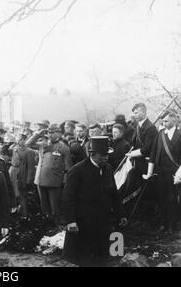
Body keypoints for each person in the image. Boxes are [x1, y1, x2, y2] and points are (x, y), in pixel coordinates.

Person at [62, 136, 127, 267]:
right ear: (92, 154)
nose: (106, 158)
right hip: (84, 222)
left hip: (103, 221)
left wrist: (121, 214)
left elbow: (114, 194)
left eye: (107, 155)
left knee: (102, 254)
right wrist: (71, 221)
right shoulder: (77, 170)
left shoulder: (108, 169)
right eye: (102, 155)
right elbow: (68, 197)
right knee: (85, 257)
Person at [144, 112, 181, 232]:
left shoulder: (180, 134)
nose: (163, 123)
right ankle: (164, 224)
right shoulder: (160, 135)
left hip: (176, 174)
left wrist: (179, 175)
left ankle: (173, 225)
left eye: (166, 121)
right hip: (161, 173)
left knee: (173, 199)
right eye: (163, 121)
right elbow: (153, 154)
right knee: (162, 198)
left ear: (174, 121)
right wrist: (150, 173)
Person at [125, 102, 158, 225]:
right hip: (138, 164)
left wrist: (132, 154)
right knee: (136, 189)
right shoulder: (138, 126)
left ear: (144, 112)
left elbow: (147, 149)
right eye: (134, 112)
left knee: (146, 192)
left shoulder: (150, 128)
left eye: (137, 112)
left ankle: (147, 220)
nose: (135, 114)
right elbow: (134, 143)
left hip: (147, 164)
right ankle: (138, 217)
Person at [36, 124, 72, 224]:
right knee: (44, 207)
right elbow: (27, 144)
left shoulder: (64, 148)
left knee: (55, 208)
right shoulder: (43, 145)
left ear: (59, 134)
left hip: (55, 181)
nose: (50, 135)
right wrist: (37, 134)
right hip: (40, 179)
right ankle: (46, 227)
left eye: (53, 133)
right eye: (49, 133)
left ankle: (56, 227)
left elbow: (68, 167)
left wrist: (64, 182)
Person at [9, 133, 36, 217]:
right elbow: (9, 149)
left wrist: (28, 181)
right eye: (17, 139)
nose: (18, 141)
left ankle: (24, 214)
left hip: (22, 175)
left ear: (25, 140)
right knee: (13, 193)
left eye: (21, 139)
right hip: (13, 173)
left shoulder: (29, 151)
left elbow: (31, 168)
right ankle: (14, 212)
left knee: (22, 195)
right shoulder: (15, 149)